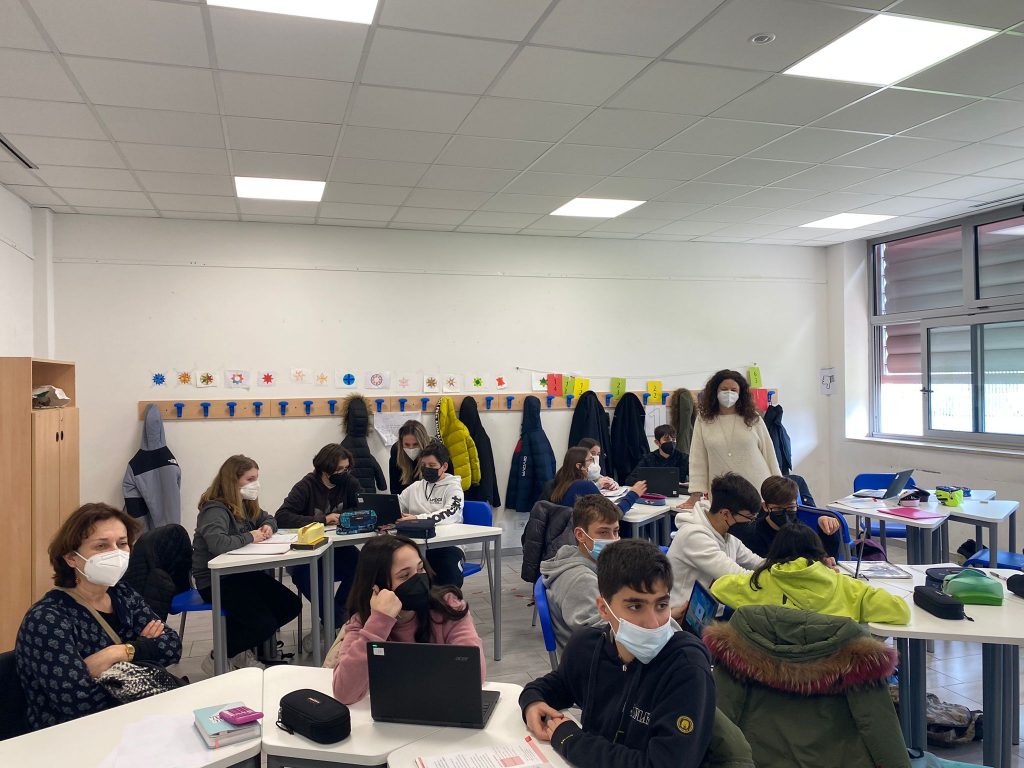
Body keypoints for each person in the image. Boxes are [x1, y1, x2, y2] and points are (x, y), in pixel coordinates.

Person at [520, 540, 715, 768]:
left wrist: (571, 740)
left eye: (661, 605)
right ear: (604, 609)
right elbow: (553, 686)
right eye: (636, 607)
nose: (653, 622)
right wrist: (532, 701)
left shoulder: (686, 668)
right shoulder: (587, 646)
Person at [16, 503, 182, 730]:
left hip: (135, 720)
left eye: (122, 544)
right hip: (72, 735)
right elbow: (77, 701)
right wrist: (144, 648)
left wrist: (120, 652)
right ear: (71, 558)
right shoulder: (47, 619)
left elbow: (172, 646)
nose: (115, 553)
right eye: (101, 546)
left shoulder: (122, 594)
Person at [332, 535, 484, 704]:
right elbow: (344, 693)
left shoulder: (449, 607)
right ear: (377, 588)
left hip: (443, 706)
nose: (418, 580)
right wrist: (379, 623)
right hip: (391, 712)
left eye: (420, 569)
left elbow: (474, 675)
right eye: (404, 575)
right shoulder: (364, 622)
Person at [192, 455, 301, 672]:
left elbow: (269, 518)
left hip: (241, 573)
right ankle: (220, 656)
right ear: (232, 480)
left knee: (290, 605)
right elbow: (218, 543)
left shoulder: (245, 504)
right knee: (264, 623)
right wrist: (251, 536)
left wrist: (268, 527)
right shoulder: (214, 510)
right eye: (250, 479)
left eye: (256, 478)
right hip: (216, 581)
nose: (255, 484)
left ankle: (240, 650)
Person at [711, 524, 910, 624]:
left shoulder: (758, 583)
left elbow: (719, 586)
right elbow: (901, 611)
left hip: (770, 672)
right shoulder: (846, 586)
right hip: (830, 674)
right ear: (819, 551)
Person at [275, 444, 361, 634]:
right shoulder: (306, 485)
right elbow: (282, 516)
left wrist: (345, 516)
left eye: (346, 468)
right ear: (324, 469)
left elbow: (362, 507)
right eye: (339, 469)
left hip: (337, 548)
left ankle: (336, 620)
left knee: (363, 565)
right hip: (307, 551)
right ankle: (336, 623)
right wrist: (323, 519)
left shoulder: (349, 482)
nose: (344, 473)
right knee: (307, 576)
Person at [667, 472, 764, 615]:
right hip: (684, 616)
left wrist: (782, 569)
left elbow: (755, 562)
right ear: (725, 514)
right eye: (749, 518)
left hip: (711, 609)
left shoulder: (726, 535)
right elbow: (737, 577)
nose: (751, 523)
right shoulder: (694, 536)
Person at [683, 369, 780, 508]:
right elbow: (698, 459)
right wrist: (695, 495)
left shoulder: (753, 418)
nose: (729, 393)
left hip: (758, 491)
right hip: (722, 494)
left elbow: (769, 453)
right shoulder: (703, 420)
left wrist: (778, 490)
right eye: (724, 389)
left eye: (734, 390)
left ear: (740, 393)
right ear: (715, 391)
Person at [540, 494, 620, 649]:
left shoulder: (584, 561)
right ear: (580, 535)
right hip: (595, 656)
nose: (612, 539)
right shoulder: (582, 580)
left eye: (616, 531)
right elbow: (597, 636)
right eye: (603, 532)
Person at [396, 440, 466, 587]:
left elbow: (450, 513)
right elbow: (396, 505)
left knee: (448, 574)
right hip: (416, 546)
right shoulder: (415, 487)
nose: (427, 469)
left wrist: (417, 518)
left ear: (444, 466)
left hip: (447, 546)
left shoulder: (453, 488)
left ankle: (446, 601)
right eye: (424, 465)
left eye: (432, 466)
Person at [732, 476, 842, 561]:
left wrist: (828, 533)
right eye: (778, 509)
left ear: (797, 505)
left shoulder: (803, 532)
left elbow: (827, 558)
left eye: (791, 508)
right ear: (765, 506)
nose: (785, 514)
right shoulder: (752, 535)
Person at [550, 447, 645, 514]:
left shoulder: (560, 481)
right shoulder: (584, 485)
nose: (594, 463)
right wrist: (633, 494)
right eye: (590, 460)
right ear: (579, 466)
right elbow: (614, 514)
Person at [625, 424, 690, 484]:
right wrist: (652, 482)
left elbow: (695, 477)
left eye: (673, 439)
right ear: (657, 442)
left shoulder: (684, 458)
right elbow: (630, 480)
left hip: (679, 492)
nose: (671, 442)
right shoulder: (648, 459)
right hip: (655, 491)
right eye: (666, 439)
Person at [389, 419, 430, 495]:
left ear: (423, 443)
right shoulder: (396, 450)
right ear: (401, 443)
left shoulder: (436, 452)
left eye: (416, 444)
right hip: (406, 497)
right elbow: (394, 488)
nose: (411, 448)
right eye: (407, 444)